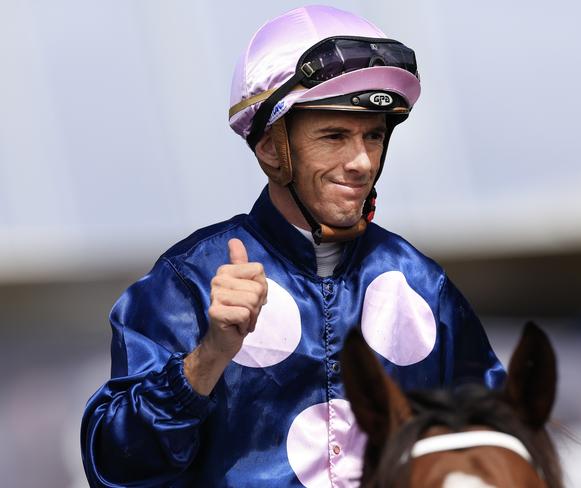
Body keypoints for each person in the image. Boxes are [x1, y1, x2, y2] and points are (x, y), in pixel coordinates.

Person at [81, 5, 504, 487]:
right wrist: (210, 356)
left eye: (373, 135)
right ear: (269, 148)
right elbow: (114, 467)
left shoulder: (423, 284)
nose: (362, 162)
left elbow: (496, 440)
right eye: (335, 136)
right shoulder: (187, 281)